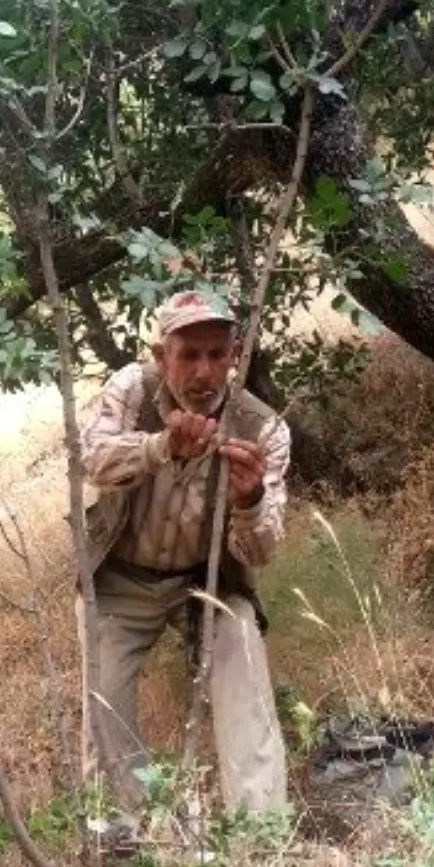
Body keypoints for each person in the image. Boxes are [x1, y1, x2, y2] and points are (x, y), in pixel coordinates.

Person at [78, 288, 290, 821]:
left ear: (234, 356)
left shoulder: (263, 427)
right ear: (160, 356)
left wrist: (250, 500)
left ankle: (261, 831)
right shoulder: (131, 390)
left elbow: (260, 552)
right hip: (121, 580)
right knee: (104, 710)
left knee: (242, 650)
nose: (204, 372)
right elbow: (92, 460)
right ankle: (136, 836)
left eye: (218, 354)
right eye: (188, 355)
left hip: (206, 582)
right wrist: (161, 448)